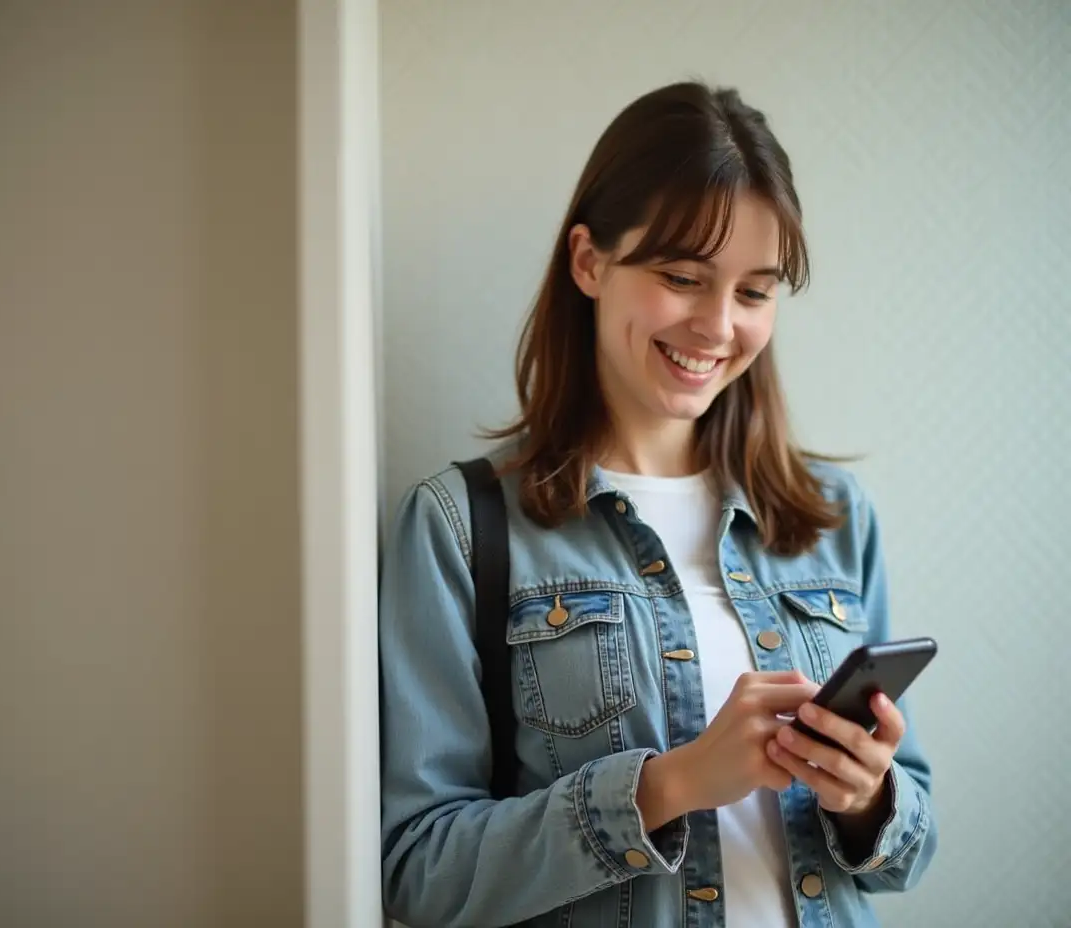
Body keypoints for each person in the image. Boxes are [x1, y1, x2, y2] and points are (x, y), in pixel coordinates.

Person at [377, 81, 937, 928]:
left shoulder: (831, 516)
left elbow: (913, 849)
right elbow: (415, 870)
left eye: (754, 291)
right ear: (588, 261)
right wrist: (668, 785)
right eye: (683, 277)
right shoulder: (460, 526)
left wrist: (868, 798)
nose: (717, 326)